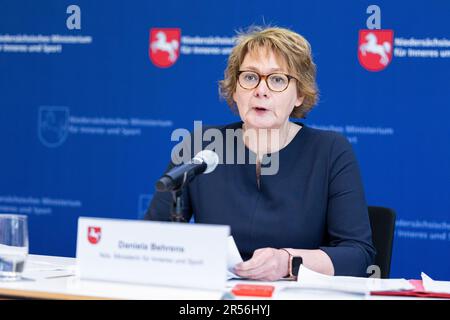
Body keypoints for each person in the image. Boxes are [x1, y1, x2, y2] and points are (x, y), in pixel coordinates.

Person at [145, 26, 375, 280]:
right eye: (250, 77)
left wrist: (288, 261)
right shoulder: (202, 145)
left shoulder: (330, 151)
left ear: (299, 94)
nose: (261, 90)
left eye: (277, 79)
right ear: (235, 89)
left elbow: (358, 256)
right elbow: (153, 240)